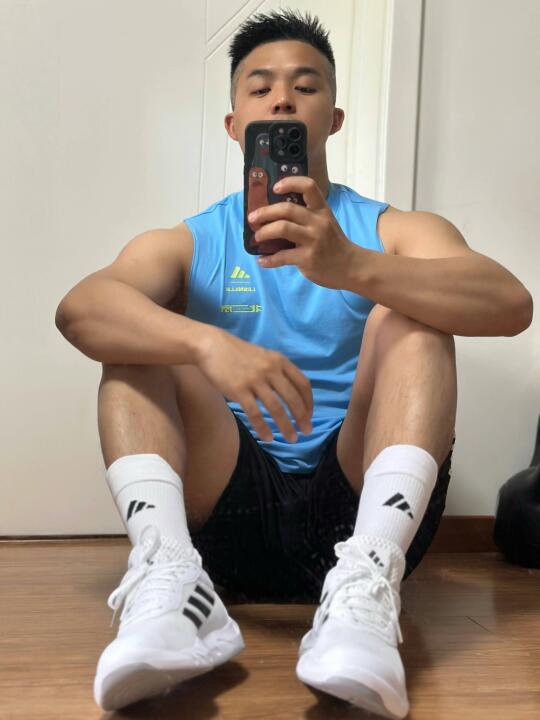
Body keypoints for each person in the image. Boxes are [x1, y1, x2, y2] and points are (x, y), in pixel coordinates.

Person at [55, 8, 533, 718]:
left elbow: (510, 304)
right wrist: (206, 343)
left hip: (361, 513)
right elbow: (81, 310)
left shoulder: (392, 230)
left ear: (333, 120)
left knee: (411, 318)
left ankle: (364, 596)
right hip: (225, 513)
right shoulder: (188, 241)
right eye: (261, 88)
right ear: (234, 124)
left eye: (304, 87)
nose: (282, 99)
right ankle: (170, 581)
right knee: (137, 333)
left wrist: (353, 266)